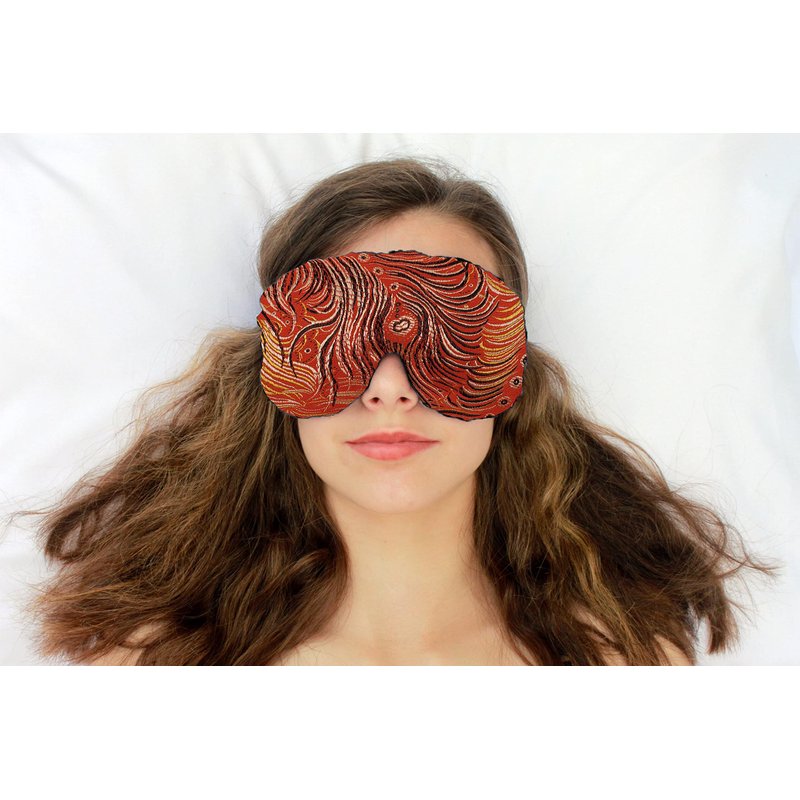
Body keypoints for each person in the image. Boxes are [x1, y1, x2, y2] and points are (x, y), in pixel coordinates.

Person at [10, 155, 777, 665]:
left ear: (512, 369)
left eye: (454, 329)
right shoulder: (151, 668)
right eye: (337, 332)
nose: (388, 388)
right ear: (274, 367)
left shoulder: (623, 663)